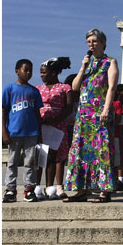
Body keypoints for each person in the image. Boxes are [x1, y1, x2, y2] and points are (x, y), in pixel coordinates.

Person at [63, 29, 118, 203]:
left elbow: (111, 88)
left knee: (101, 151)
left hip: (99, 113)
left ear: (103, 42)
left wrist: (106, 109)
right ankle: (81, 190)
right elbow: (75, 87)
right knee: (79, 152)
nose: (91, 45)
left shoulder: (110, 62)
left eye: (94, 41)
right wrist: (82, 67)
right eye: (89, 42)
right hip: (84, 114)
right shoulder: (87, 64)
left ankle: (104, 191)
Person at [2, 59, 42, 203]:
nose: (28, 73)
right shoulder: (9, 89)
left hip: (32, 132)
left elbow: (37, 113)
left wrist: (40, 133)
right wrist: (3, 132)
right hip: (14, 132)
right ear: (17, 71)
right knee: (12, 162)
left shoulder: (34, 91)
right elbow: (3, 111)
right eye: (25, 70)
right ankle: (10, 190)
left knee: (30, 162)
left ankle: (29, 189)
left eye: (30, 70)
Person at [36, 57, 73, 200]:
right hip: (41, 124)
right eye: (41, 72)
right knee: (40, 155)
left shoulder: (65, 88)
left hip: (58, 126)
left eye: (44, 72)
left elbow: (69, 107)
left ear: (53, 73)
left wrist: (57, 119)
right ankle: (37, 186)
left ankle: (52, 187)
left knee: (55, 156)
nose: (41, 75)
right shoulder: (38, 88)